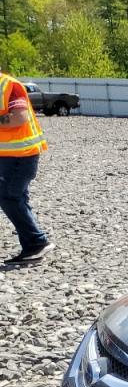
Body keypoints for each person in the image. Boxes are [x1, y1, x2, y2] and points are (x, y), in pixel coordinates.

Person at [0, 71, 51, 265]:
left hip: (21, 155)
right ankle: (32, 246)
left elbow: (19, 117)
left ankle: (36, 242)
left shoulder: (9, 86)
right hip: (9, 156)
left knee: (9, 197)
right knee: (17, 197)